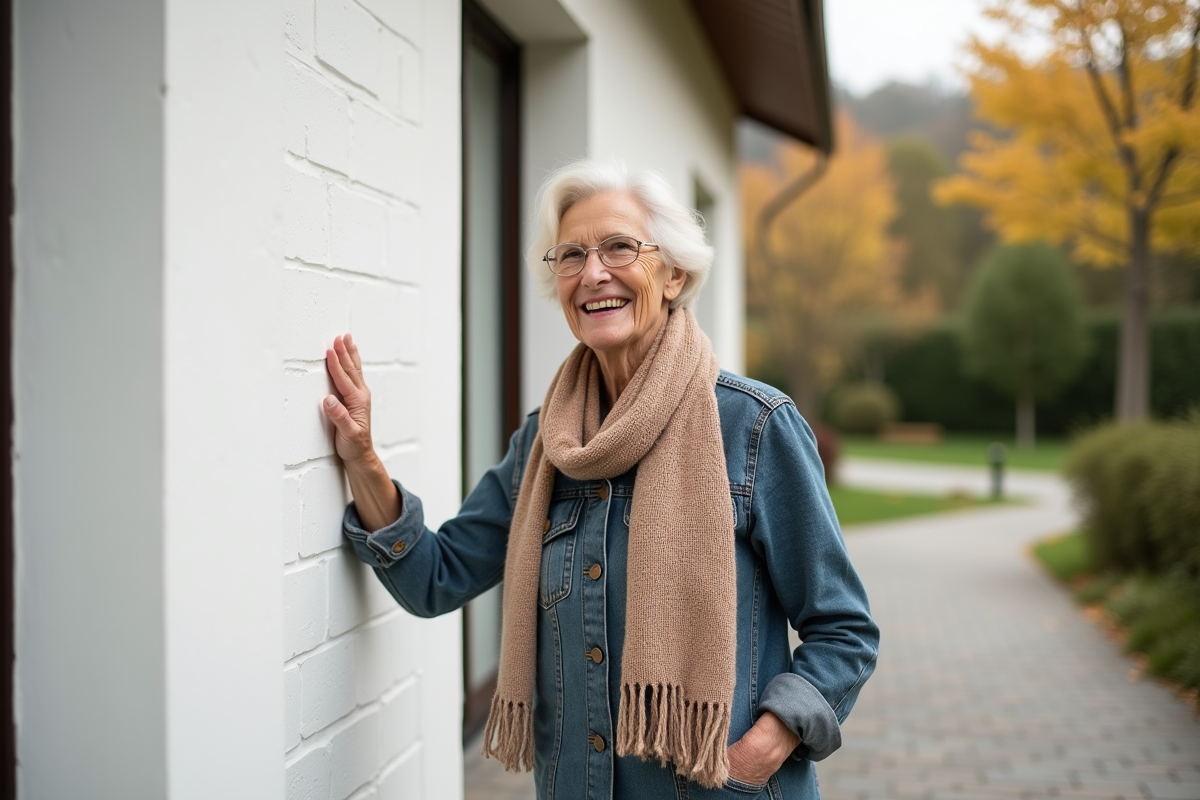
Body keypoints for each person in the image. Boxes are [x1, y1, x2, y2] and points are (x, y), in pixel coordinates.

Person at [323, 159, 879, 799]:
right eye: (571, 256)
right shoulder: (544, 445)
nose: (593, 274)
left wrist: (763, 747)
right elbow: (434, 576)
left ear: (674, 274)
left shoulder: (753, 426)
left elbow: (844, 630)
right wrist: (363, 456)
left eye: (620, 247)